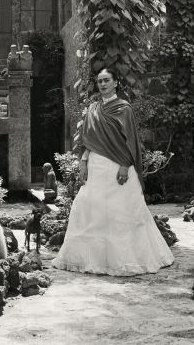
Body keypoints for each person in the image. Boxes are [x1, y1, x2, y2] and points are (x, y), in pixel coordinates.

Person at [52, 68, 174, 276]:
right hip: (95, 167)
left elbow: (130, 140)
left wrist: (126, 165)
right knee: (89, 208)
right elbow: (87, 140)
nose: (103, 84)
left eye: (107, 80)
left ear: (116, 83)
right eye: (99, 81)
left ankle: (125, 260)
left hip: (118, 167)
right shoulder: (93, 108)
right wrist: (83, 161)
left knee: (120, 213)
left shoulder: (123, 108)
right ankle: (91, 260)